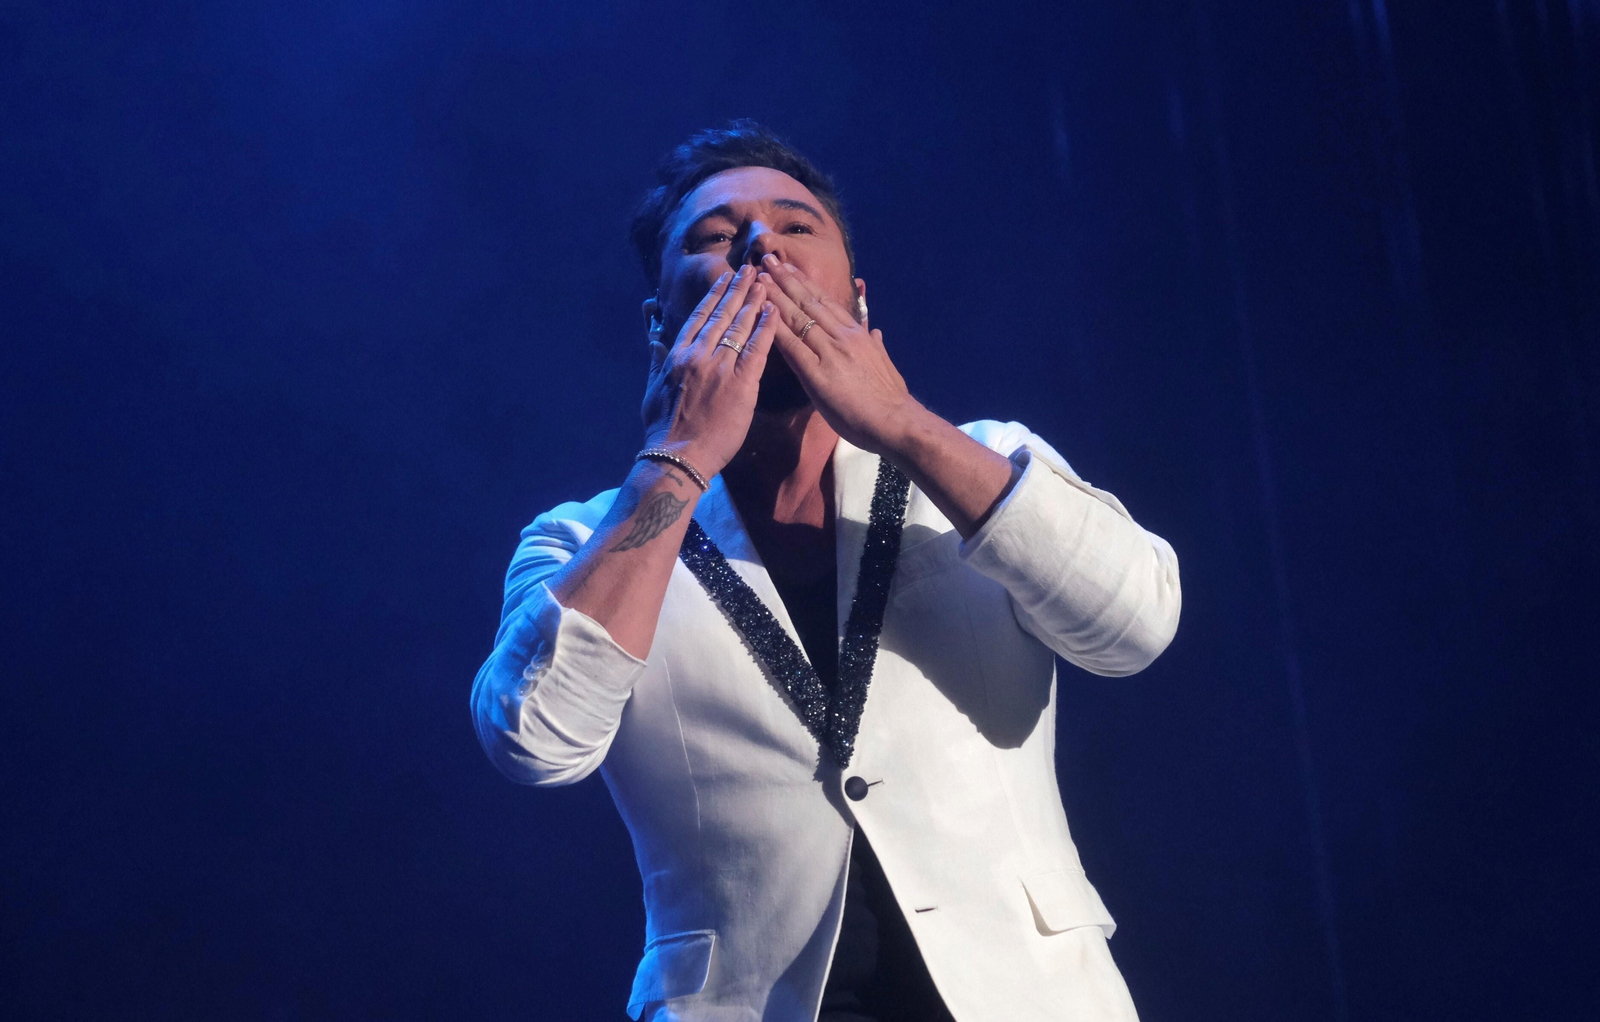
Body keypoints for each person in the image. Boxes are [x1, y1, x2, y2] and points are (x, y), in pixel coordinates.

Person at [470, 121, 1182, 1022]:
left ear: (857, 297)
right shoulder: (578, 541)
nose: (761, 245)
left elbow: (1137, 626)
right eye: (716, 238)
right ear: (661, 323)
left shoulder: (988, 464)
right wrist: (677, 458)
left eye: (794, 227)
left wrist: (906, 424)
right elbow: (535, 742)